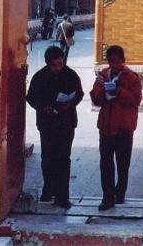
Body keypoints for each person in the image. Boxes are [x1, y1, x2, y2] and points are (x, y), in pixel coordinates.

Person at [27, 44, 83, 209]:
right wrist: (43, 106)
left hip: (66, 122)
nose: (58, 68)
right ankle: (48, 189)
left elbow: (79, 94)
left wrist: (71, 102)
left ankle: (62, 196)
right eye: (54, 65)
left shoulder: (70, 75)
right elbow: (30, 97)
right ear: (47, 63)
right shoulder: (40, 77)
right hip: (47, 123)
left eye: (60, 64)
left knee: (64, 159)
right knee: (48, 157)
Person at [90, 45, 142, 211]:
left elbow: (136, 100)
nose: (113, 64)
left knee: (122, 163)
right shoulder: (103, 75)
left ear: (123, 61)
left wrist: (118, 91)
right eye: (110, 61)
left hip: (124, 127)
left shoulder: (131, 77)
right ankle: (107, 196)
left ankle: (120, 192)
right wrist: (100, 89)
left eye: (116, 61)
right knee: (105, 163)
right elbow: (96, 100)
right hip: (106, 127)